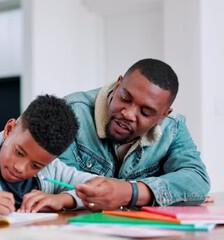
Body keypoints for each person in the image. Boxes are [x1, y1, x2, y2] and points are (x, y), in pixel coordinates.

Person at [59, 58, 210, 211]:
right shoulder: (70, 112)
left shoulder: (172, 127)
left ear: (162, 116)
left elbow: (197, 180)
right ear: (118, 85)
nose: (128, 114)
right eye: (125, 98)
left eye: (145, 112)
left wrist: (130, 193)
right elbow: (58, 183)